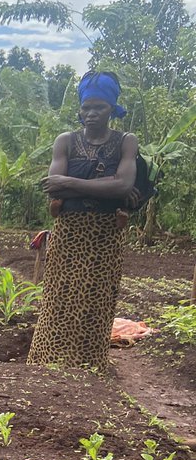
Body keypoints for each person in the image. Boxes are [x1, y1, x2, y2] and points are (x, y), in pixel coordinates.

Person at [28, 71, 141, 372]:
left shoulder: (126, 141)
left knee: (97, 300)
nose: (91, 114)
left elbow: (124, 186)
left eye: (99, 107)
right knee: (59, 298)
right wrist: (107, 185)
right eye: (86, 107)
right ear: (80, 109)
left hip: (106, 234)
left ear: (111, 109)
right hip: (69, 232)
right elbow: (53, 188)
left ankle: (90, 366)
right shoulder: (66, 141)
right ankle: (48, 362)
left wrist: (69, 182)